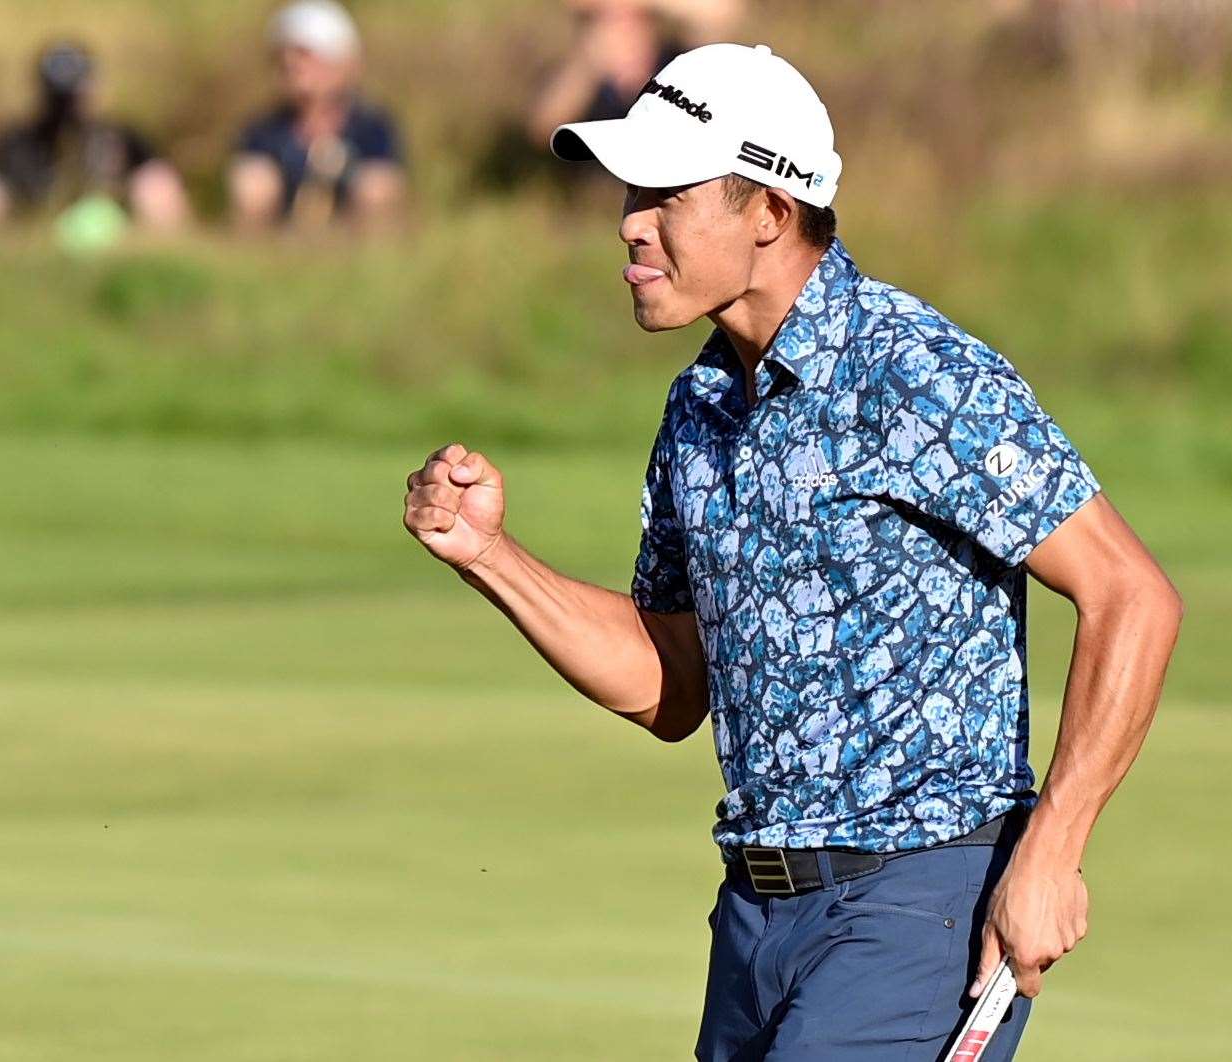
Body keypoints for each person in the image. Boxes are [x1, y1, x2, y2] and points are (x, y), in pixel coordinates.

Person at [404, 43, 1182, 1061]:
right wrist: (490, 557)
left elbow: (1132, 594)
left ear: (767, 211)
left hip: (919, 911)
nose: (631, 222)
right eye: (632, 192)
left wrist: (1055, 848)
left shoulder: (915, 372)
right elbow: (673, 684)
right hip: (755, 924)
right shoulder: (701, 405)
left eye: (667, 193)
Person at [0, 41, 189, 231]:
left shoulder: (121, 138)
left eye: (72, 97)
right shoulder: (17, 142)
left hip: (115, 234)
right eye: (59, 99)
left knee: (156, 184)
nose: (66, 110)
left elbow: (160, 187)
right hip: (36, 234)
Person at [230, 1, 406, 230]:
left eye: (306, 55)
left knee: (377, 188)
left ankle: (377, 260)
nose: (293, 64)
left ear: (342, 62)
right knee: (252, 183)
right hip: (282, 236)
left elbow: (384, 180)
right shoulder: (264, 129)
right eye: (285, 56)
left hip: (353, 241)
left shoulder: (371, 126)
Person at [526, 0, 739, 149]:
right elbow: (543, 130)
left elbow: (721, 13)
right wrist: (588, 64)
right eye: (609, 24)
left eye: (630, 22)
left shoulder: (678, 66)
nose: (621, 35)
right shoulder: (587, 81)